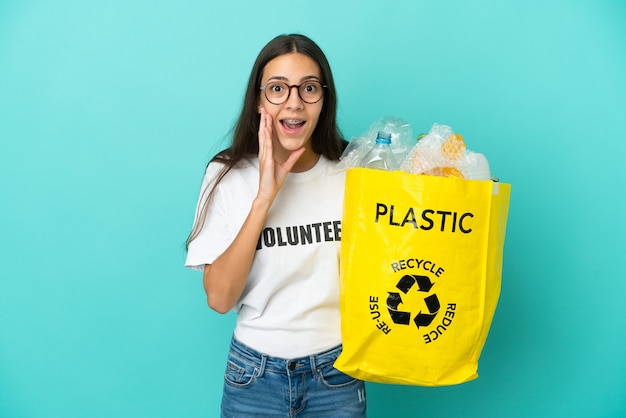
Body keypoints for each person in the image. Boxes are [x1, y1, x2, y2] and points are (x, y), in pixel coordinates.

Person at [185, 34, 367, 417]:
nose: (294, 102)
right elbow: (219, 299)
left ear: (324, 99)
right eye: (278, 88)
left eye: (309, 88)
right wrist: (264, 198)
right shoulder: (227, 174)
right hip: (253, 378)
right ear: (258, 100)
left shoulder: (354, 172)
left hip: (336, 377)